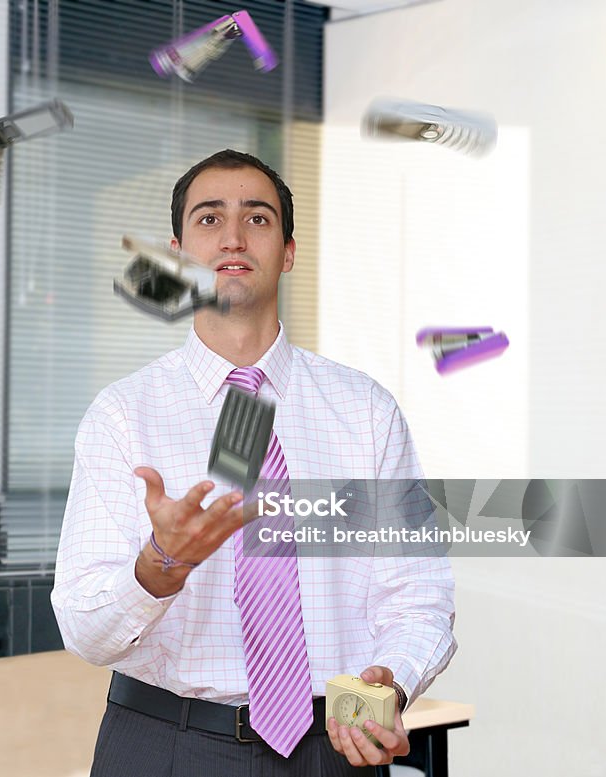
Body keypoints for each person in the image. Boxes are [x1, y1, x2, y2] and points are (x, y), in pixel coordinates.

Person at [52, 149, 456, 776]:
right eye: (210, 219)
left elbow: (418, 595)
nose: (234, 236)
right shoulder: (123, 416)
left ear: (288, 251)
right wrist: (161, 566)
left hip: (333, 750)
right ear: (179, 251)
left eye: (258, 219)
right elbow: (83, 628)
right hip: (166, 746)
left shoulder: (367, 412)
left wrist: (394, 678)